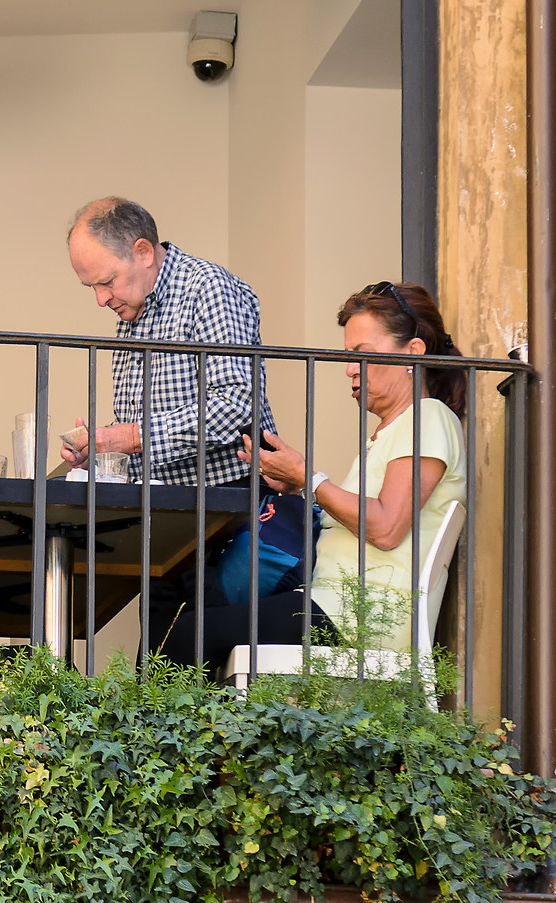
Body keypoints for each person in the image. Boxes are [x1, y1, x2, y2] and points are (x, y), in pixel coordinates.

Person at [151, 282, 468, 671]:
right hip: (338, 608)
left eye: (362, 355)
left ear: (413, 354)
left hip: (360, 618)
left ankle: (181, 731)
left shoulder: (428, 417)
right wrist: (301, 484)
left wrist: (311, 478)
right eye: (348, 357)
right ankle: (214, 730)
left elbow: (386, 527)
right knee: (201, 612)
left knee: (191, 633)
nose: (351, 369)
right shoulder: (396, 429)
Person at [57, 197, 275, 487]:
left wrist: (132, 437)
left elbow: (237, 406)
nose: (101, 299)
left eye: (108, 282)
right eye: (92, 287)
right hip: (165, 500)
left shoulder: (207, 287)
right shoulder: (133, 308)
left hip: (228, 498)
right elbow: (142, 421)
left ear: (144, 252)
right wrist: (100, 450)